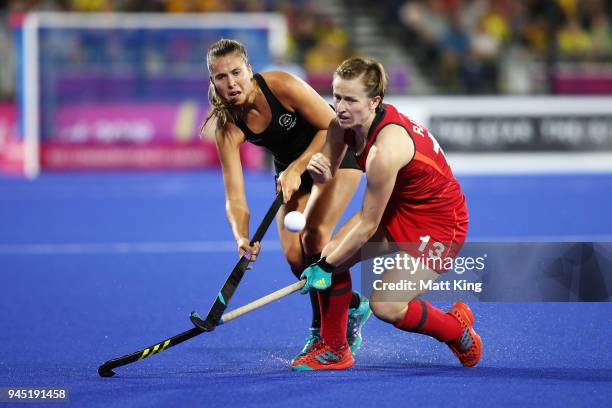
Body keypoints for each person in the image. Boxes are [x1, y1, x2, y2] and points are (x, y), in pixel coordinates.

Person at [292, 57, 481, 371]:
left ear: (374, 101)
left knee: (386, 305)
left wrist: (324, 267)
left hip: (439, 224)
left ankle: (455, 329)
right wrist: (321, 172)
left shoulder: (384, 150)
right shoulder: (341, 125)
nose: (340, 107)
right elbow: (330, 171)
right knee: (332, 253)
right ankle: (334, 349)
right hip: (399, 206)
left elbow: (368, 224)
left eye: (350, 99)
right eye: (337, 96)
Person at [201, 39, 372, 364]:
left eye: (236, 72)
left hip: (335, 152)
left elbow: (332, 125)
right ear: (213, 81)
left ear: (249, 69)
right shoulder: (227, 128)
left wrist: (297, 167)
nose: (231, 82)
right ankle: (350, 307)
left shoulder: (280, 85)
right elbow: (235, 197)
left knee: (316, 236)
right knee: (296, 258)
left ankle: (325, 334)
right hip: (291, 170)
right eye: (221, 77)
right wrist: (241, 237)